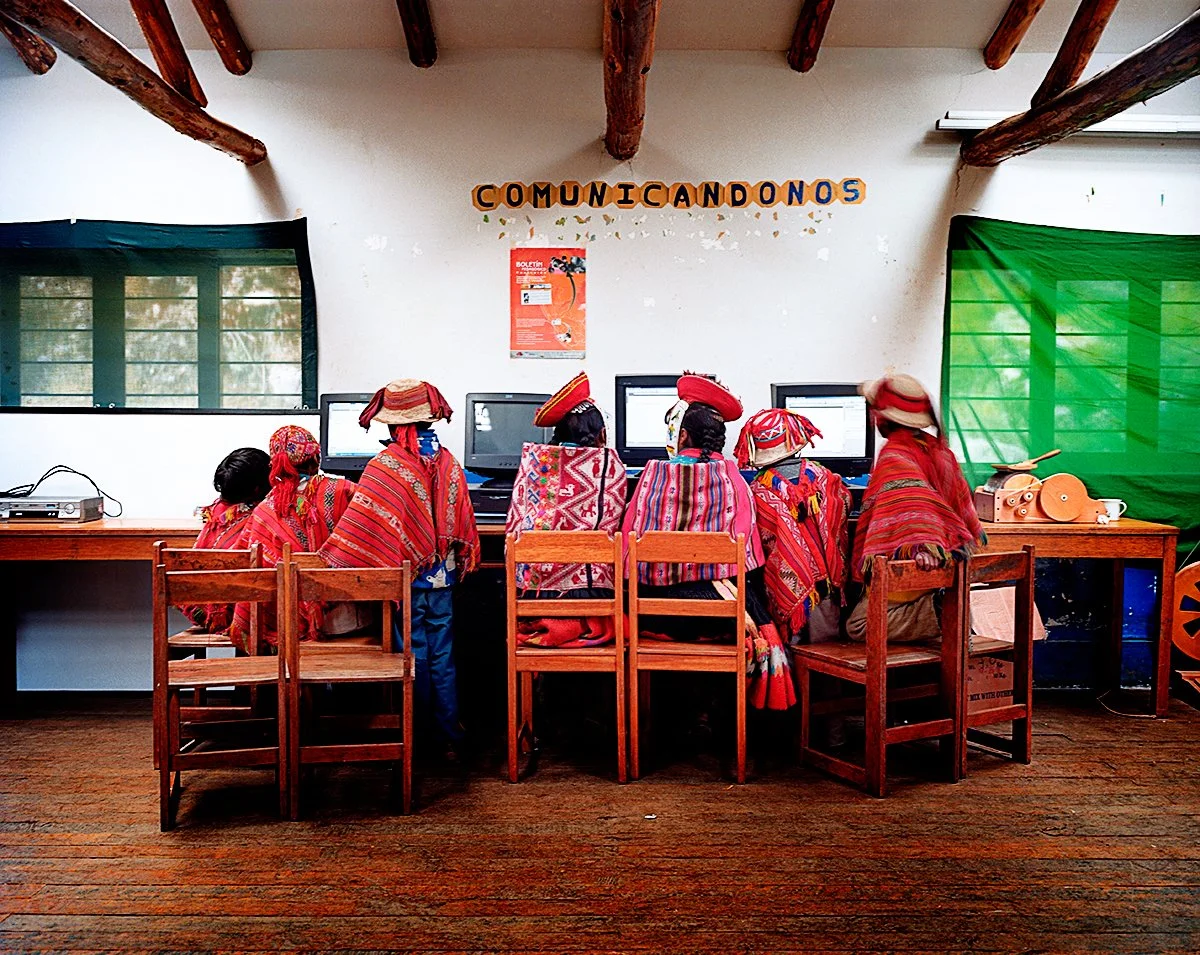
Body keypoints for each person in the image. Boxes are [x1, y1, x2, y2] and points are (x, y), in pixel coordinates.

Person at [320, 379, 480, 759]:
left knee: (413, 654)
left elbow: (363, 526)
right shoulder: (448, 461)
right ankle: (449, 735)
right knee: (443, 655)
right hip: (442, 578)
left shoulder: (385, 466)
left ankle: (417, 735)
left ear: (394, 425)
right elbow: (460, 517)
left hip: (406, 579)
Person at [622, 373, 793, 711]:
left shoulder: (651, 476)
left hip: (656, 620)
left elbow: (628, 557)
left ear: (682, 435)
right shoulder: (734, 481)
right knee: (747, 590)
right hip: (718, 621)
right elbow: (750, 563)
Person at [847, 373, 986, 643]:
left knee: (858, 625)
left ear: (883, 417)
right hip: (947, 568)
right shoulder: (937, 449)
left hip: (919, 568)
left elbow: (914, 501)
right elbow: (951, 507)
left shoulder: (894, 454)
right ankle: (941, 609)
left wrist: (922, 544)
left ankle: (938, 612)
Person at [506, 371, 627, 648]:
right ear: (602, 435)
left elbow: (512, 532)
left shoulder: (533, 466)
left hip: (536, 601)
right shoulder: (612, 468)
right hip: (590, 605)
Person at [230, 425, 356, 649]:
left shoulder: (263, 513)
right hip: (349, 621)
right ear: (316, 458)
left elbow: (247, 569)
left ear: (276, 466)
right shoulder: (345, 491)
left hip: (289, 624)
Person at [733, 409, 850, 644]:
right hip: (827, 589)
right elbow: (843, 506)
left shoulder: (758, 491)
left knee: (792, 646)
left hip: (786, 587)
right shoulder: (825, 477)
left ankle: (792, 679)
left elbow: (759, 541)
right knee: (827, 647)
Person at [179, 447, 271, 633]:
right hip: (235, 616)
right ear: (258, 489)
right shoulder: (260, 519)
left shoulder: (214, 514)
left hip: (204, 609)